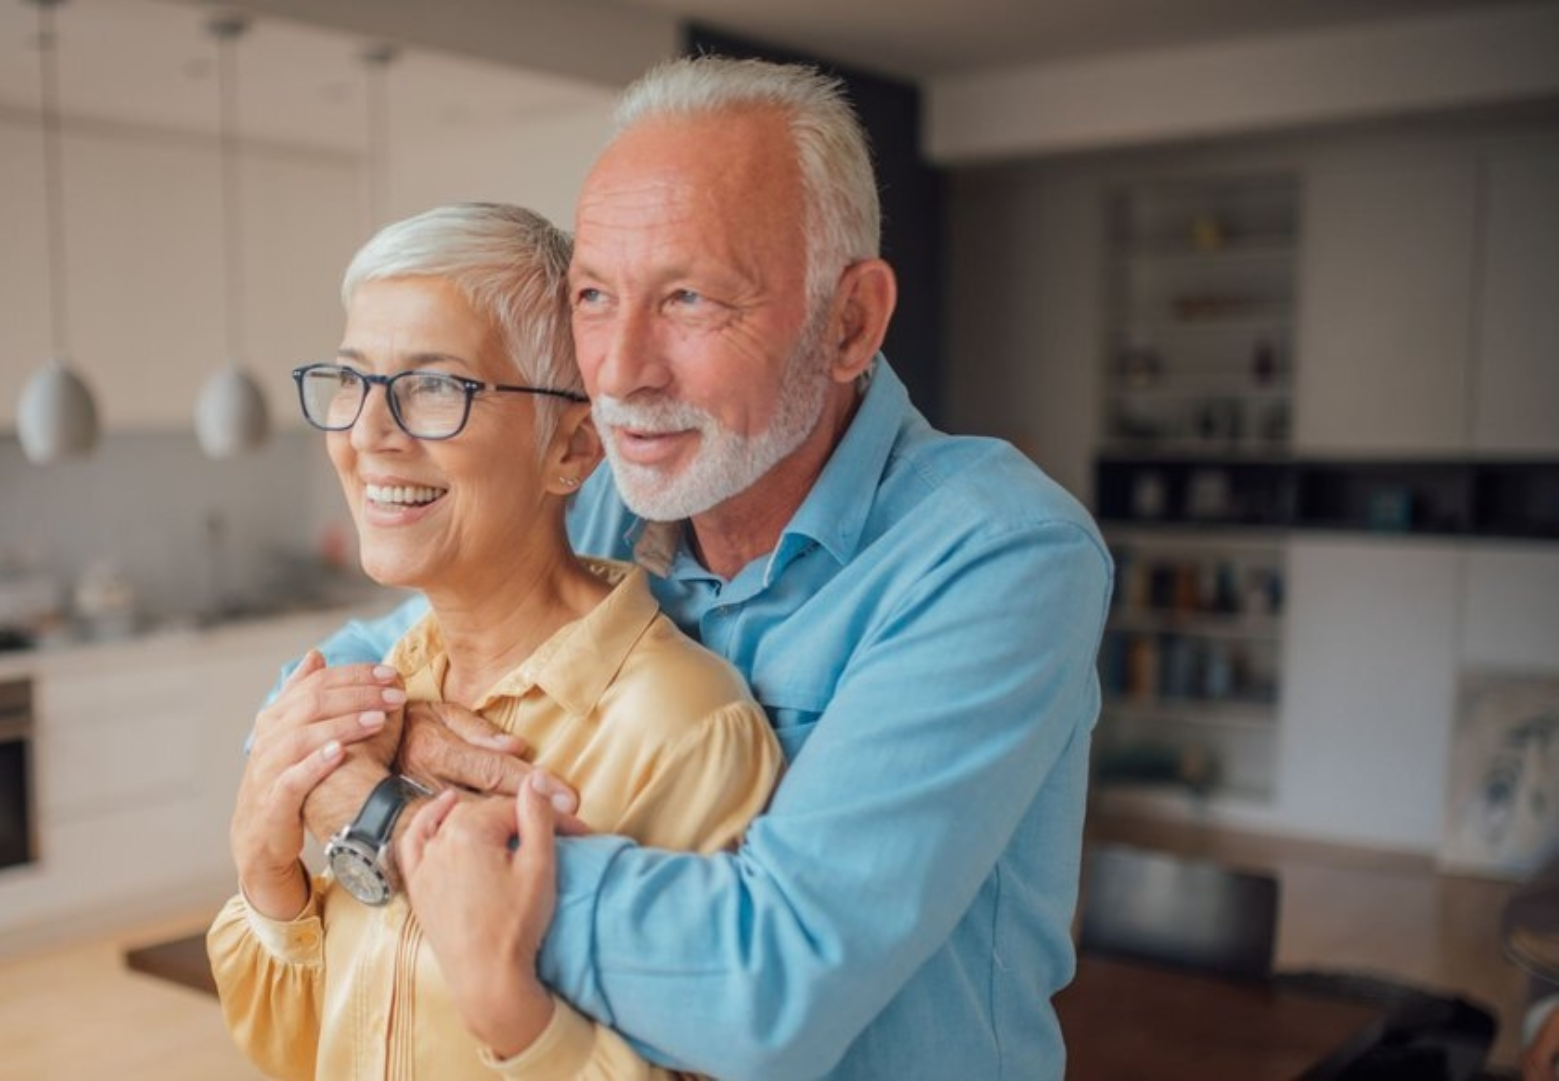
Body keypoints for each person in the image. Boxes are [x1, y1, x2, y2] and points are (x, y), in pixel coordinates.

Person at [264, 57, 1112, 1078]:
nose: (619, 371)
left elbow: (768, 986)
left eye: (690, 299)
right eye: (594, 295)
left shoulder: (997, 552)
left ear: (849, 322)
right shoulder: (609, 493)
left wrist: (397, 823)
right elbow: (318, 689)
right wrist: (377, 735)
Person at [206, 202, 782, 1078]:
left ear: (573, 447)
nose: (367, 434)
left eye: (435, 387)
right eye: (351, 380)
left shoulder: (686, 729)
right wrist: (266, 873)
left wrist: (511, 1014)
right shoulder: (390, 686)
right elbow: (308, 1049)